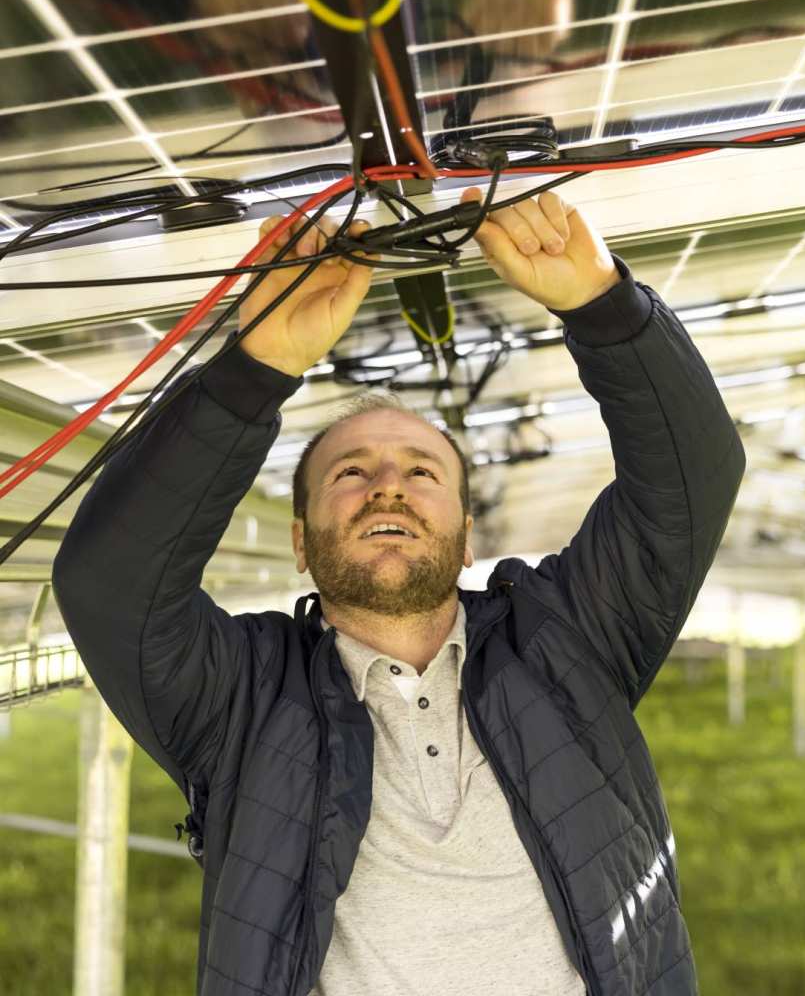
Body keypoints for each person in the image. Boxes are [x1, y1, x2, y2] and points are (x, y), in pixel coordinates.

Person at [52, 185, 745, 996]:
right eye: (351, 473)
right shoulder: (240, 698)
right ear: (302, 544)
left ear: (467, 537)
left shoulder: (568, 638)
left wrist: (604, 307)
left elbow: (690, 483)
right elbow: (110, 584)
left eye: (423, 473)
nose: (389, 488)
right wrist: (256, 369)